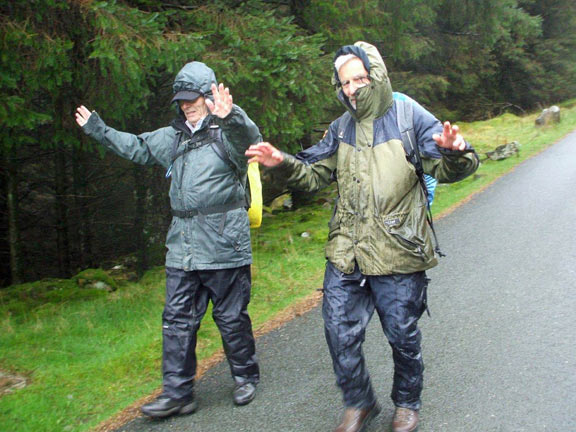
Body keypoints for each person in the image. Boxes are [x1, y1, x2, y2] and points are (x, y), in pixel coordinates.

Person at [246, 41, 479, 432]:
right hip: (346, 249)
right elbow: (313, 174)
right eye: (346, 81)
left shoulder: (408, 115)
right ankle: (359, 402)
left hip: (399, 248)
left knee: (402, 335)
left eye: (359, 78)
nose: (353, 88)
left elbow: (450, 167)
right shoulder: (340, 127)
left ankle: (406, 403)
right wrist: (281, 162)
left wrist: (455, 151)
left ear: (376, 74)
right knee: (338, 330)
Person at [74, 61, 261, 418]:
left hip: (224, 244)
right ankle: (178, 394)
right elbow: (137, 147)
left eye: (193, 98)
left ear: (208, 96)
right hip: (182, 247)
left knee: (231, 317)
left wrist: (231, 115)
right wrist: (98, 129)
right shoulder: (173, 136)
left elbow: (251, 141)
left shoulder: (228, 133)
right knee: (176, 320)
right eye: (182, 100)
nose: (187, 105)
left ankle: (245, 377)